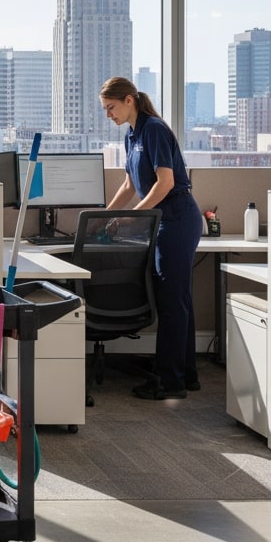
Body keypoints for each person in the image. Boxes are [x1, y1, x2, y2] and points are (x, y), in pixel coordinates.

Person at [100, 76, 202, 400]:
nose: (108, 115)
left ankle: (169, 381)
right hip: (163, 221)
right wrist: (103, 217)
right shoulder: (132, 136)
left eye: (111, 107)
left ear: (129, 100)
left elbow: (166, 183)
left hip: (178, 218)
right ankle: (187, 375)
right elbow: (129, 185)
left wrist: (134, 216)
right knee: (177, 299)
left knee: (172, 303)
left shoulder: (154, 128)